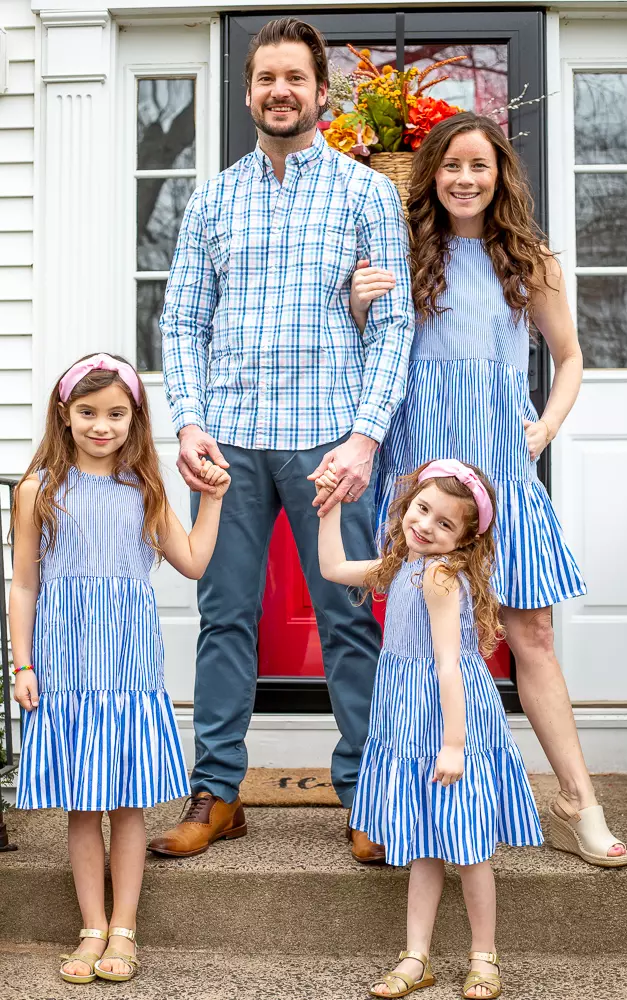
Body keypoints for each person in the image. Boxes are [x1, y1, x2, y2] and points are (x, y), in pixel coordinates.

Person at [151, 16, 413, 863]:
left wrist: (365, 440)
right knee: (223, 618)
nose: (278, 91)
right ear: (249, 92)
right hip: (225, 446)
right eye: (265, 78)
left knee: (345, 615)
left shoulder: (367, 194)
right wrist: (188, 420)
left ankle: (368, 795)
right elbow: (182, 322)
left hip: (326, 446)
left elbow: (394, 327)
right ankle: (217, 792)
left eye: (293, 78)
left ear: (320, 93)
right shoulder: (211, 199)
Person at [336, 112, 627, 867]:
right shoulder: (398, 254)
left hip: (500, 476)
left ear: (500, 176)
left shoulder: (527, 261)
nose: (465, 179)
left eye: (480, 166)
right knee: (409, 643)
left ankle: (575, 800)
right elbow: (358, 358)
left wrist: (546, 428)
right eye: (450, 166)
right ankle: (393, 800)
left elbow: (569, 358)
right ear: (429, 175)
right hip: (419, 482)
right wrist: (359, 306)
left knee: (530, 636)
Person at [10, 353, 230, 984]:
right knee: (82, 808)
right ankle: (91, 928)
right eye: (87, 413)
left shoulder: (147, 490)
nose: (101, 426)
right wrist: (22, 663)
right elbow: (23, 585)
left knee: (128, 807)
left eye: (114, 414)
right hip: (65, 676)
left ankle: (125, 930)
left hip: (128, 678)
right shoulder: (38, 493)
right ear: (64, 414)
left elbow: (190, 561)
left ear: (134, 417)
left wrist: (210, 502)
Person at [316, 458, 542, 999]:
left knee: (467, 846)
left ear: (466, 538)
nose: (426, 526)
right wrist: (327, 510)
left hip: (447, 718)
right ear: (407, 505)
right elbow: (331, 569)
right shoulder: (401, 565)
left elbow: (448, 664)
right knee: (423, 844)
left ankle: (483, 957)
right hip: (407, 715)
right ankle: (417, 956)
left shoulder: (440, 576)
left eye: (445, 524)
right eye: (422, 510)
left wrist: (455, 744)